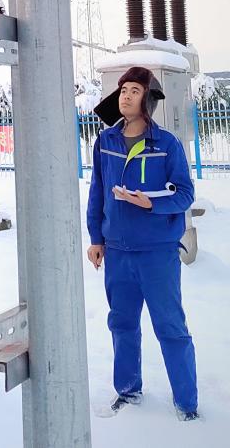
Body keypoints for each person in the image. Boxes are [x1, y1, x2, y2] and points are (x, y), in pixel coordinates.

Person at [86, 66, 199, 421]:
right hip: (118, 253)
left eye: (135, 91)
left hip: (157, 254)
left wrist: (152, 203)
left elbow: (185, 194)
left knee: (170, 327)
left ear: (148, 99)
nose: (126, 96)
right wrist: (96, 238)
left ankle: (187, 403)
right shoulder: (105, 141)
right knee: (122, 324)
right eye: (123, 90)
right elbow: (97, 192)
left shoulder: (166, 145)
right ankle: (128, 390)